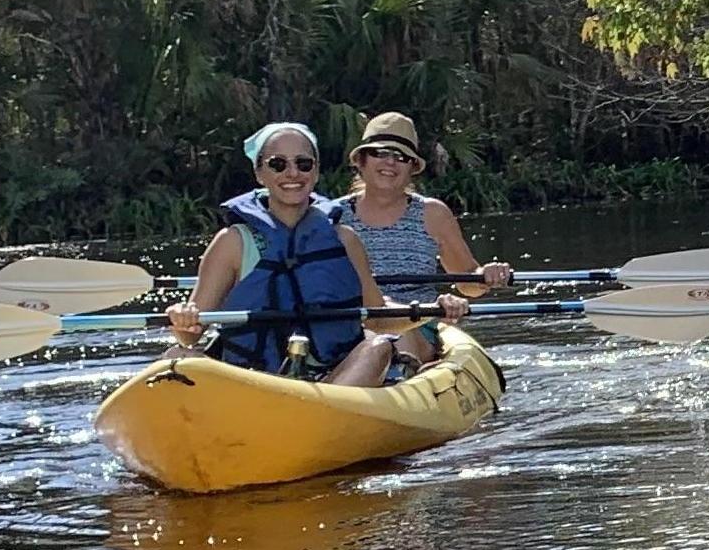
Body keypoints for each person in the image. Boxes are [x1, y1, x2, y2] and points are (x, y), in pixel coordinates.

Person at [164, 122, 463, 385]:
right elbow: (191, 334)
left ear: (316, 172)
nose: (292, 173)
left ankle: (320, 411)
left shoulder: (344, 239)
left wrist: (429, 310)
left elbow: (377, 316)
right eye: (278, 164)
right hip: (251, 381)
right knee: (176, 355)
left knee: (379, 346)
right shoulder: (232, 243)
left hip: (330, 380)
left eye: (303, 164)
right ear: (260, 174)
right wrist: (183, 319)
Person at [337, 112, 511, 353]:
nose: (390, 162)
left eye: (401, 157)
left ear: (412, 168)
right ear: (362, 161)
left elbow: (467, 280)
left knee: (397, 337)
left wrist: (486, 275)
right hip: (351, 323)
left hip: (416, 323)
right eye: (380, 153)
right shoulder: (332, 215)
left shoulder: (433, 213)